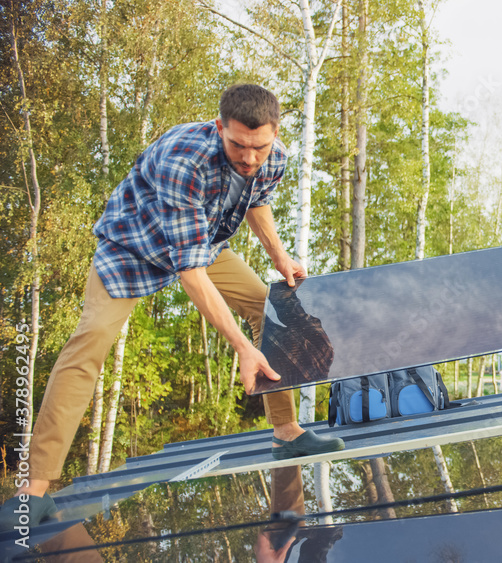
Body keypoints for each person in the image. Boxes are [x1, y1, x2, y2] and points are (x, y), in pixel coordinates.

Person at [0, 84, 346, 531]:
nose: (248, 157)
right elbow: (190, 273)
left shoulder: (273, 156)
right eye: (237, 145)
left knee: (269, 308)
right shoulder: (184, 159)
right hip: (133, 247)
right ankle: (32, 493)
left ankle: (287, 434)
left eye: (258, 147)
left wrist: (279, 256)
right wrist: (242, 347)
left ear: (274, 134)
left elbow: (256, 201)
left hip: (201, 244)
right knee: (90, 343)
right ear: (219, 127)